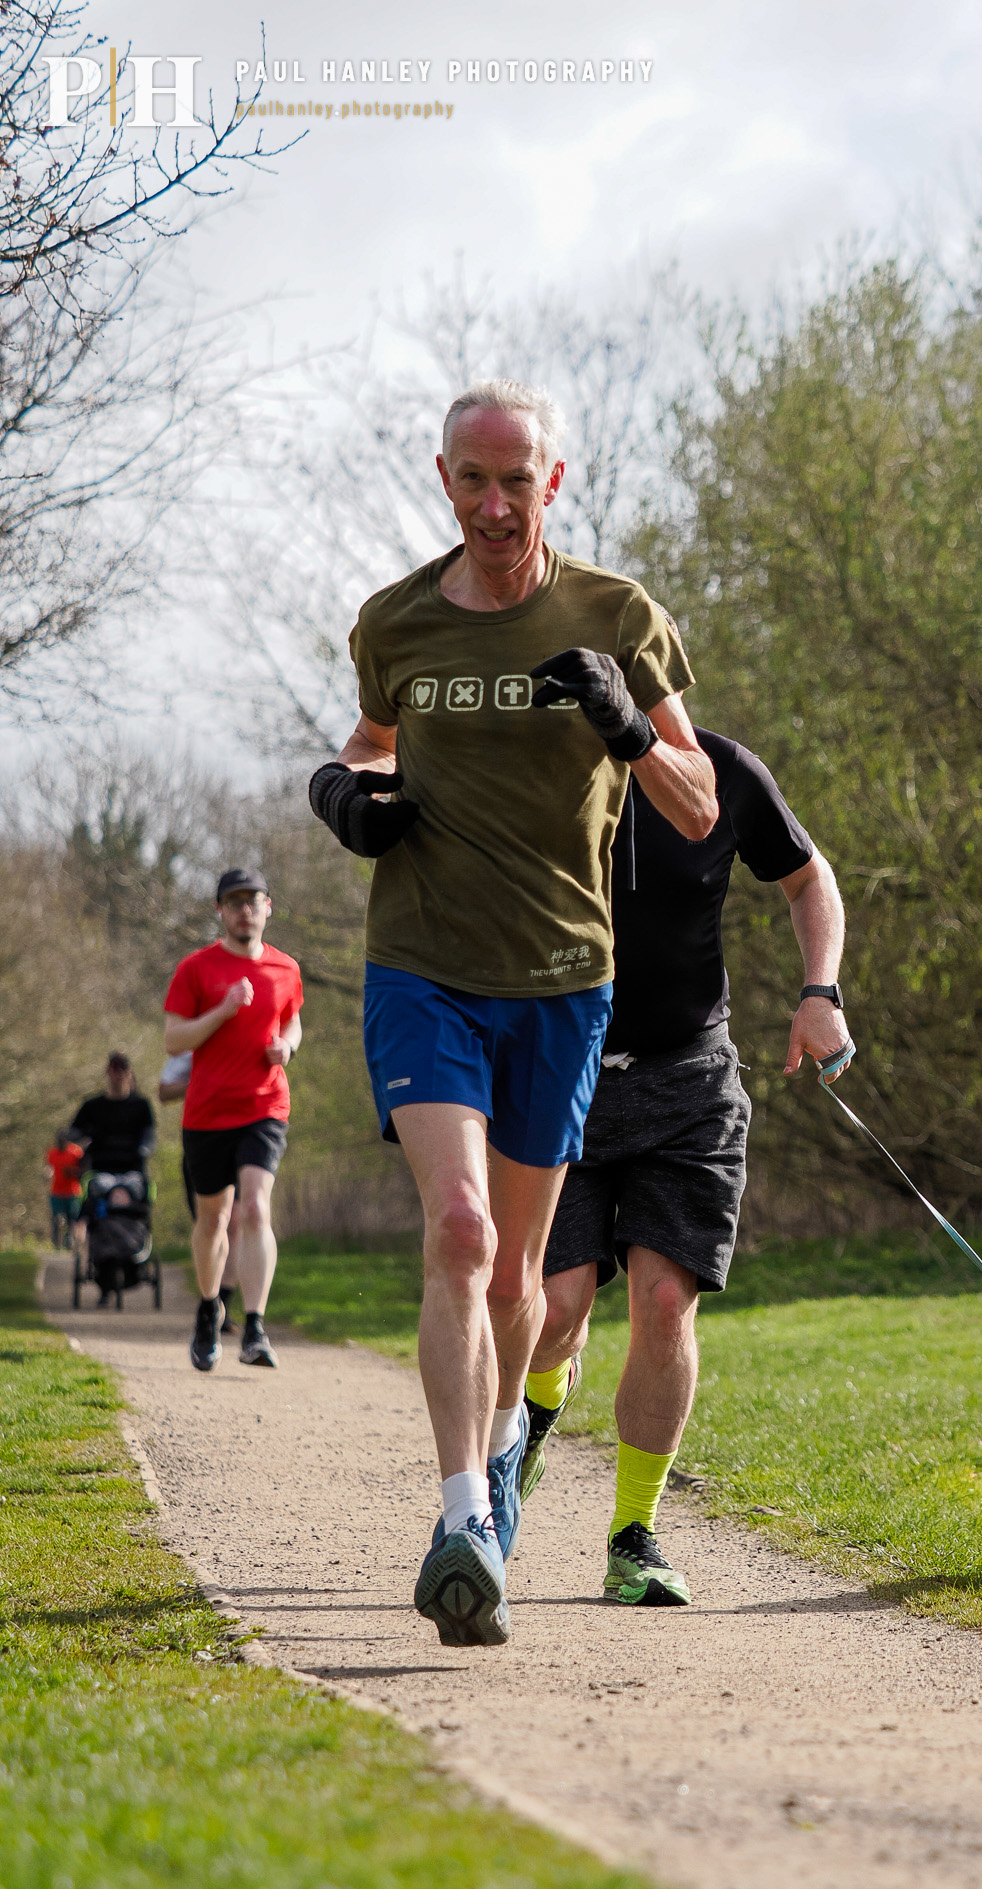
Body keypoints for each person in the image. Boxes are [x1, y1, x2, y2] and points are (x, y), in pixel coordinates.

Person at [306, 376, 718, 1648]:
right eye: (471, 480)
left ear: (556, 480)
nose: (495, 503)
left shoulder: (618, 614)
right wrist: (345, 790)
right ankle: (457, 1521)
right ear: (443, 480)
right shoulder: (397, 622)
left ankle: (495, 1468)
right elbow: (369, 743)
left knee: (526, 1284)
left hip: (562, 980)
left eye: (517, 480)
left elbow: (704, 808)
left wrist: (630, 733)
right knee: (465, 1230)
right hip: (423, 965)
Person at [526, 728, 852, 1605]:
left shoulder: (724, 770)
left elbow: (807, 877)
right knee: (554, 1311)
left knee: (665, 1302)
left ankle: (634, 1534)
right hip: (565, 1078)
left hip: (690, 1081)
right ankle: (537, 1414)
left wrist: (820, 992)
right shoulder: (541, 762)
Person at [163, 870, 304, 1374]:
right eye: (234, 901)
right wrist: (222, 1012)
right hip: (207, 1111)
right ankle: (207, 1310)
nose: (245, 910)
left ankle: (256, 1327)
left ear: (269, 907)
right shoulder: (196, 969)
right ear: (220, 911)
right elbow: (174, 1041)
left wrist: (287, 1046)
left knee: (254, 1208)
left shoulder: (287, 968)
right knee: (213, 1220)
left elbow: (292, 1018)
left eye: (253, 900)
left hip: (264, 1106)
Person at [159, 1050, 240, 1335]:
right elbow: (164, 1090)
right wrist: (199, 1083)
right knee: (212, 1225)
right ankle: (212, 1300)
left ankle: (224, 1306)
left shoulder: (250, 1035)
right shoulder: (197, 1042)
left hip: (245, 1138)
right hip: (203, 1141)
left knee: (238, 1223)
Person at [71, 1054, 157, 1176]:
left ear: (129, 1072)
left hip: (132, 1171)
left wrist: (144, 1150)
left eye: (123, 1068)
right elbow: (74, 1132)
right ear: (107, 1071)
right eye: (115, 1068)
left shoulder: (141, 1105)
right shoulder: (91, 1106)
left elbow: (149, 1137)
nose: (119, 1073)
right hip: (98, 1170)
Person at [45, 1128, 85, 1248]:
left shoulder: (76, 1152)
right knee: (56, 1218)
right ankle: (55, 1243)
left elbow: (84, 1170)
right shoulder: (52, 1153)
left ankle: (70, 1240)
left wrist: (73, 1172)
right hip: (56, 1191)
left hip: (72, 1191)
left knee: (71, 1218)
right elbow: (49, 1168)